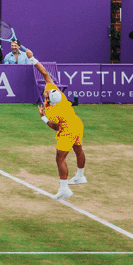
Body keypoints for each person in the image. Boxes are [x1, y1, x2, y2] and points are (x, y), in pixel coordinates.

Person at [31, 53, 87, 200]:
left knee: (60, 158)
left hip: (67, 129)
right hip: (77, 123)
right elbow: (44, 72)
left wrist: (43, 117)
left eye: (47, 94)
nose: (46, 91)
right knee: (78, 149)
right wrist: (33, 58)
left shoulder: (53, 111)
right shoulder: (57, 93)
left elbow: (55, 127)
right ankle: (80, 176)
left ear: (50, 100)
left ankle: (64, 189)